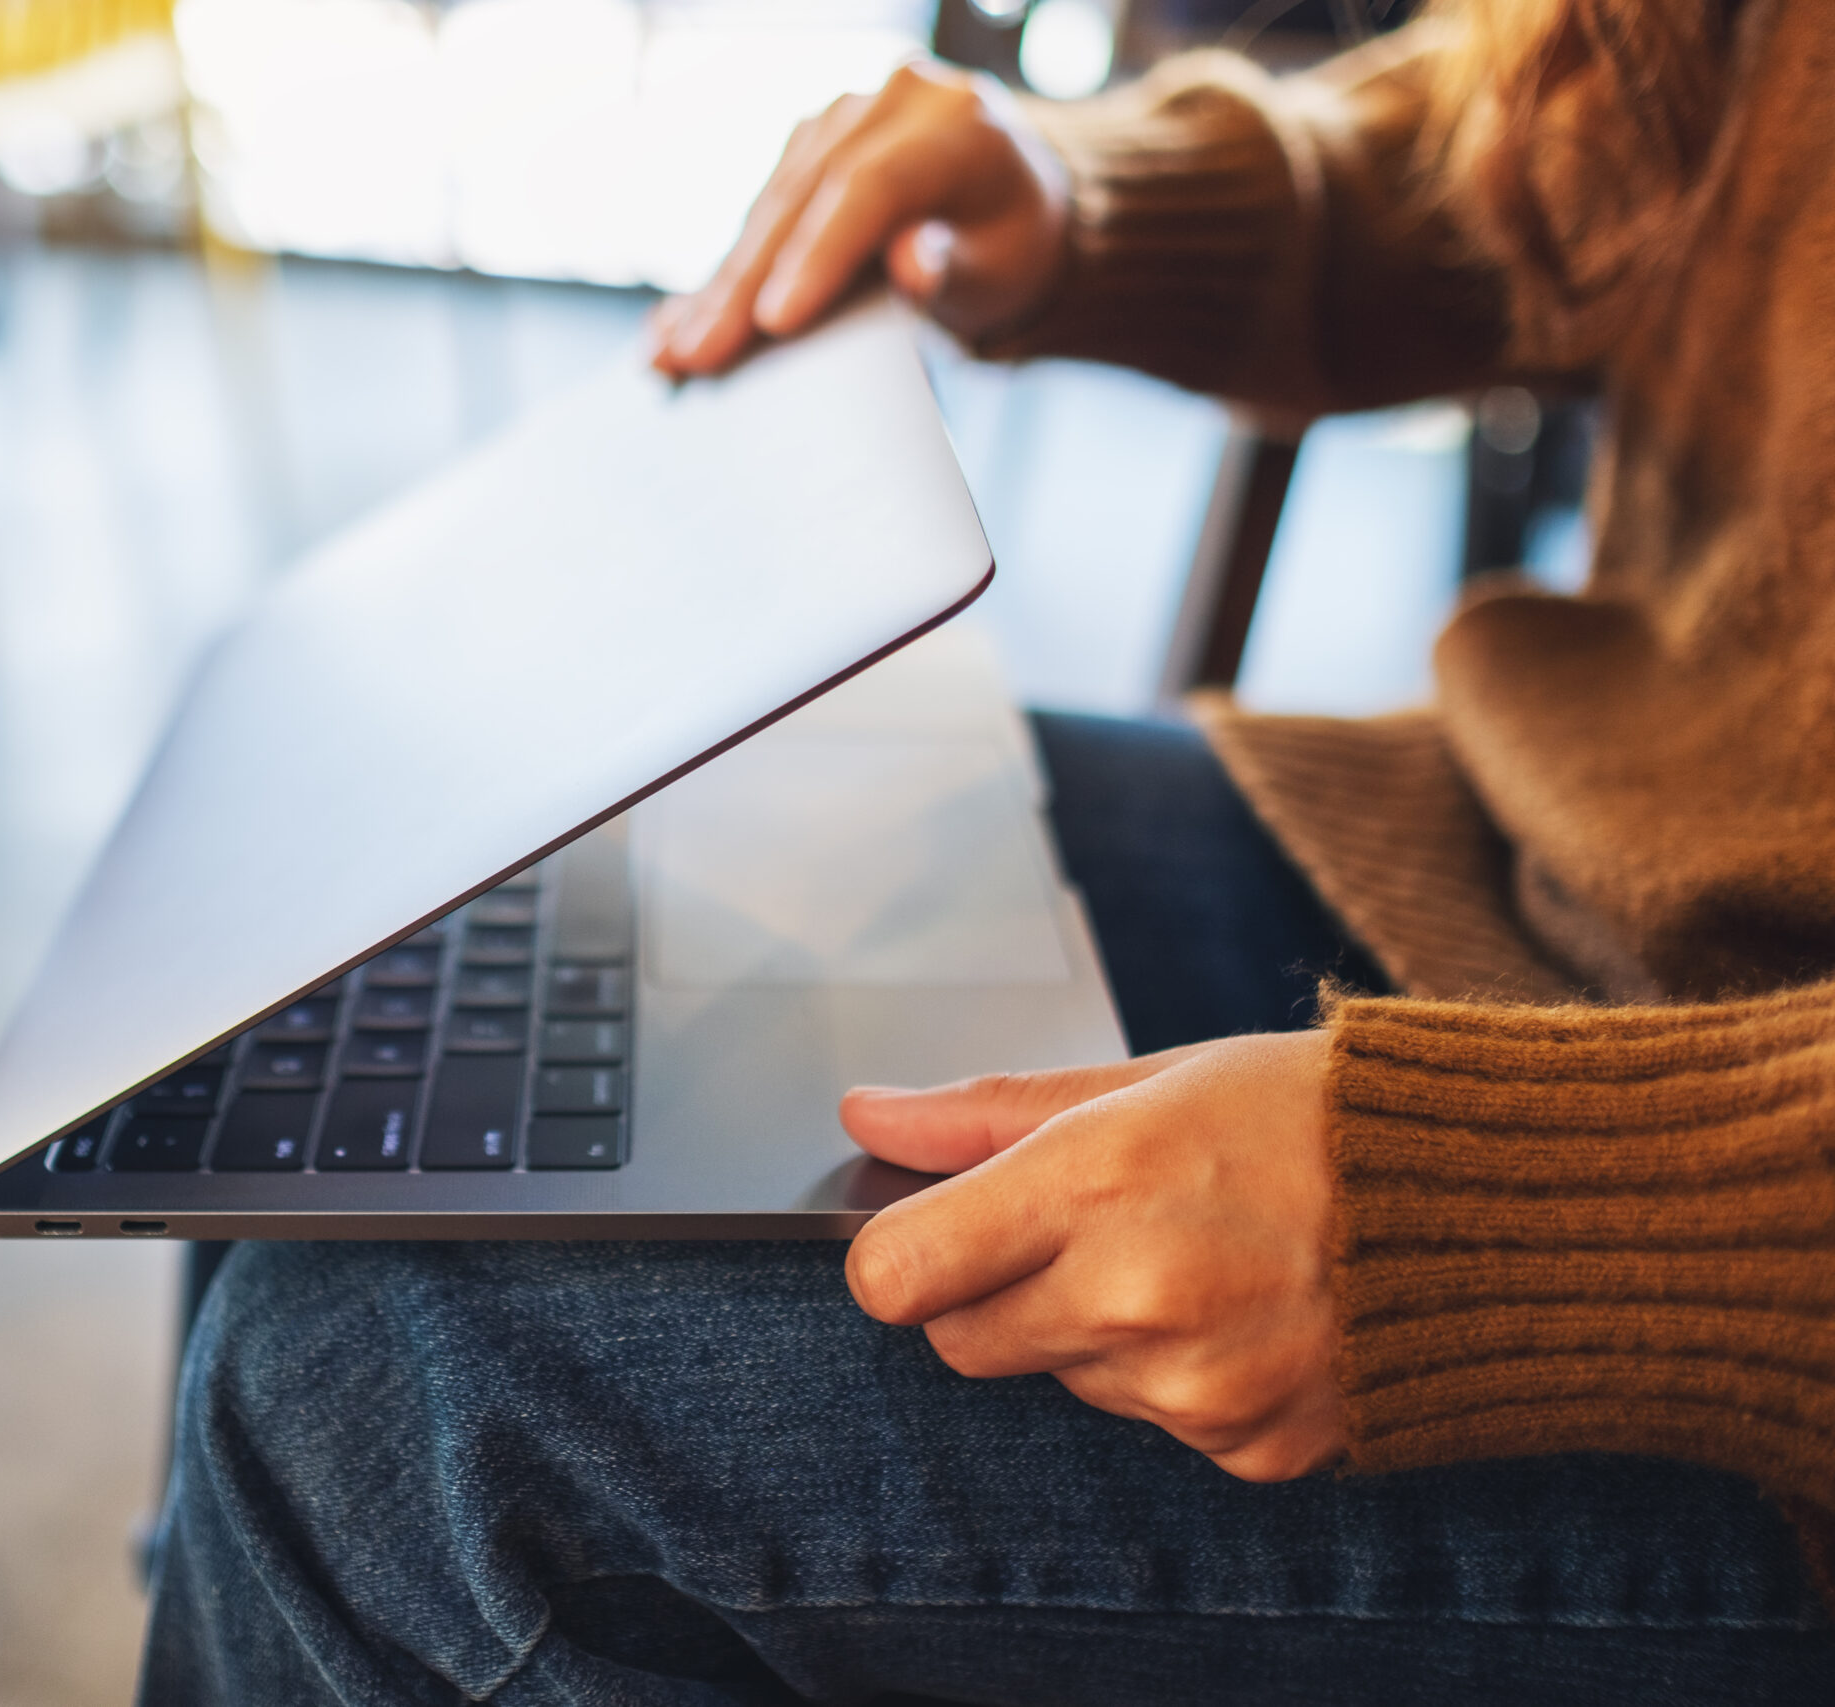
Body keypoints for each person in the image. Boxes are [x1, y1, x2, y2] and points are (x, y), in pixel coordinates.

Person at [140, 1, 1835, 1698]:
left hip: (1732, 1278)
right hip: (1539, 878)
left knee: (377, 1406)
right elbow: (1615, 145)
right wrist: (1074, 191)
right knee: (409, 986)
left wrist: (1513, 1212)